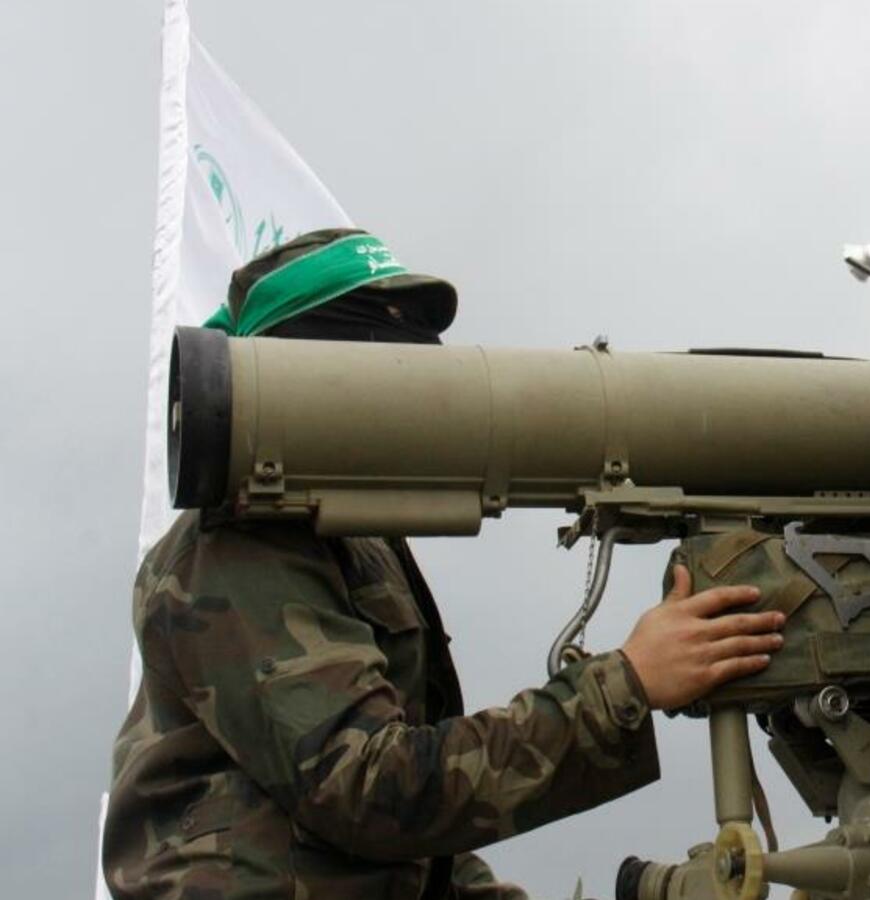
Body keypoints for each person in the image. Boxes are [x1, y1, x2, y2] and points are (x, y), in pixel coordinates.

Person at [103, 229, 787, 900]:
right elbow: (366, 790)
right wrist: (627, 684)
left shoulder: (351, 540)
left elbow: (415, 854)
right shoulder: (235, 552)